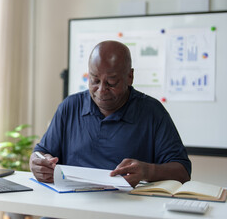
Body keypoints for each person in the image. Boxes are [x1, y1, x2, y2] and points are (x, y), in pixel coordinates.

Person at [29, 40, 191, 187]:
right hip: (70, 207)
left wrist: (148, 171)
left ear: (130, 77)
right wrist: (38, 163)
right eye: (95, 80)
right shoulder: (70, 107)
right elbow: (40, 153)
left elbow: (182, 172)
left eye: (111, 82)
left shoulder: (152, 112)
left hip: (125, 209)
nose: (101, 90)